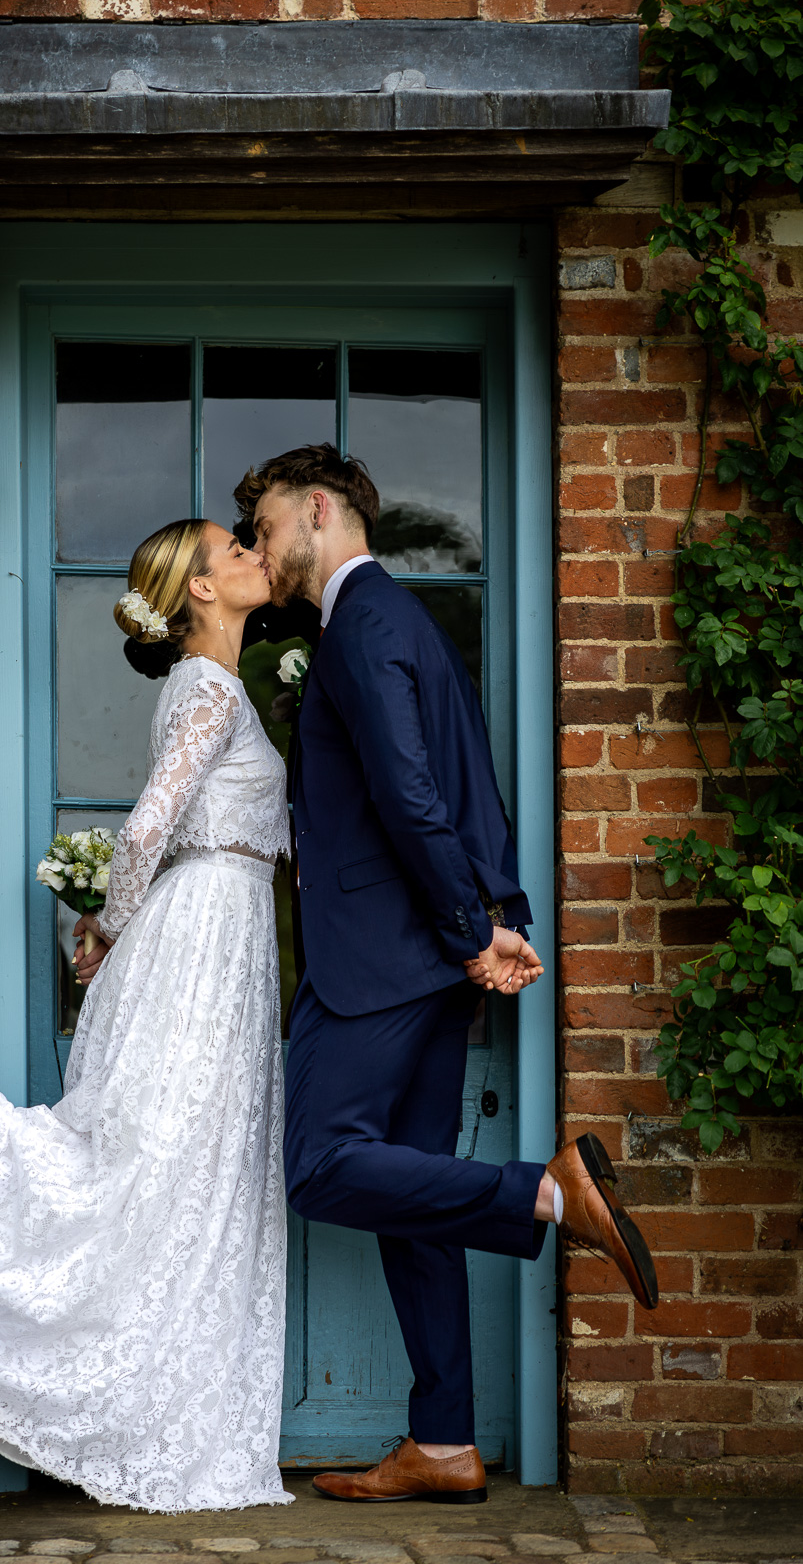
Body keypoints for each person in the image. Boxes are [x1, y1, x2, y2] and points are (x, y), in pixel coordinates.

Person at [235, 444, 658, 1505]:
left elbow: (411, 795)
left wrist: (473, 926)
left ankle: (547, 1194)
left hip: (379, 960)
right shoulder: (406, 622)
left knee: (320, 1164)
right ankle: (443, 1440)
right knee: (408, 1194)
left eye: (267, 524)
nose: (260, 547)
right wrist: (493, 919)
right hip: (428, 959)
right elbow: (469, 786)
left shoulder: (358, 627)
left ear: (319, 507)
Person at [0, 519, 295, 1514]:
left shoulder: (215, 685)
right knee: (161, 1161)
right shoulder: (209, 685)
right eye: (231, 548)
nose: (247, 555)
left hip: (223, 932)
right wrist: (108, 925)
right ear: (197, 590)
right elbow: (148, 824)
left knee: (191, 1170)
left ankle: (171, 1408)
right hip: (200, 936)